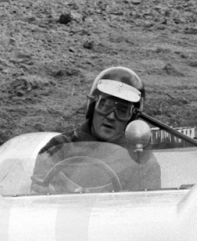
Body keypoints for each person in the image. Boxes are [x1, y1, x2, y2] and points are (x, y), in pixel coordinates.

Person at [31, 67, 161, 193]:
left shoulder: (140, 159)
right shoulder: (58, 147)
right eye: (104, 105)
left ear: (132, 118)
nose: (111, 116)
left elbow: (144, 208)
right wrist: (52, 192)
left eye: (122, 111)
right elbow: (38, 197)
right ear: (92, 106)